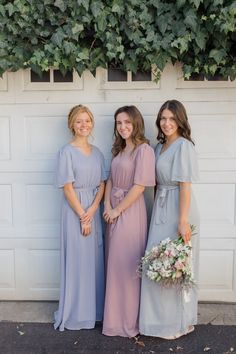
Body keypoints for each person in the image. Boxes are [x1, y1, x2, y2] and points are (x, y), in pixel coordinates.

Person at [139, 99, 200, 339]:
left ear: (180, 120)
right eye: (163, 118)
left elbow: (185, 185)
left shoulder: (183, 146)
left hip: (179, 208)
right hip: (161, 207)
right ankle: (159, 320)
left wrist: (183, 221)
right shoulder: (158, 147)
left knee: (176, 263)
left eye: (172, 119)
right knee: (157, 261)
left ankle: (177, 322)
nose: (166, 123)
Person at [102, 105, 155, 337]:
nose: (122, 127)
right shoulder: (119, 150)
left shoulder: (144, 150)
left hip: (130, 212)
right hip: (112, 211)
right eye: (118, 123)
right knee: (113, 266)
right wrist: (106, 206)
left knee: (126, 266)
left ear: (136, 123)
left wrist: (118, 211)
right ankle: (112, 320)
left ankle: (127, 323)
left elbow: (140, 186)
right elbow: (111, 180)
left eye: (127, 122)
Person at [54, 104, 106, 331]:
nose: (84, 125)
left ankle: (94, 311)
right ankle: (76, 312)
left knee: (93, 262)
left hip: (93, 211)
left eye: (87, 120)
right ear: (71, 125)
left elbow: (102, 184)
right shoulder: (66, 152)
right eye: (79, 121)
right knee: (78, 261)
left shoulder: (98, 152)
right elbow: (67, 188)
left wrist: (94, 209)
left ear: (92, 123)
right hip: (75, 211)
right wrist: (83, 216)